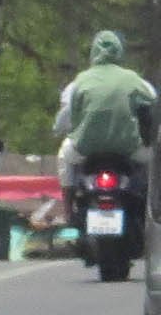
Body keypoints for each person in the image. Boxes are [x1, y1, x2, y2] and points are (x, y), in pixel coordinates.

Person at [54, 30, 156, 209]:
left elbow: (68, 115)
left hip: (85, 148)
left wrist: (58, 129)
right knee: (154, 159)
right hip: (128, 148)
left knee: (64, 156)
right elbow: (153, 100)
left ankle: (68, 208)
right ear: (120, 53)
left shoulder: (80, 81)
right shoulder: (132, 78)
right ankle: (152, 208)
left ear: (93, 52)